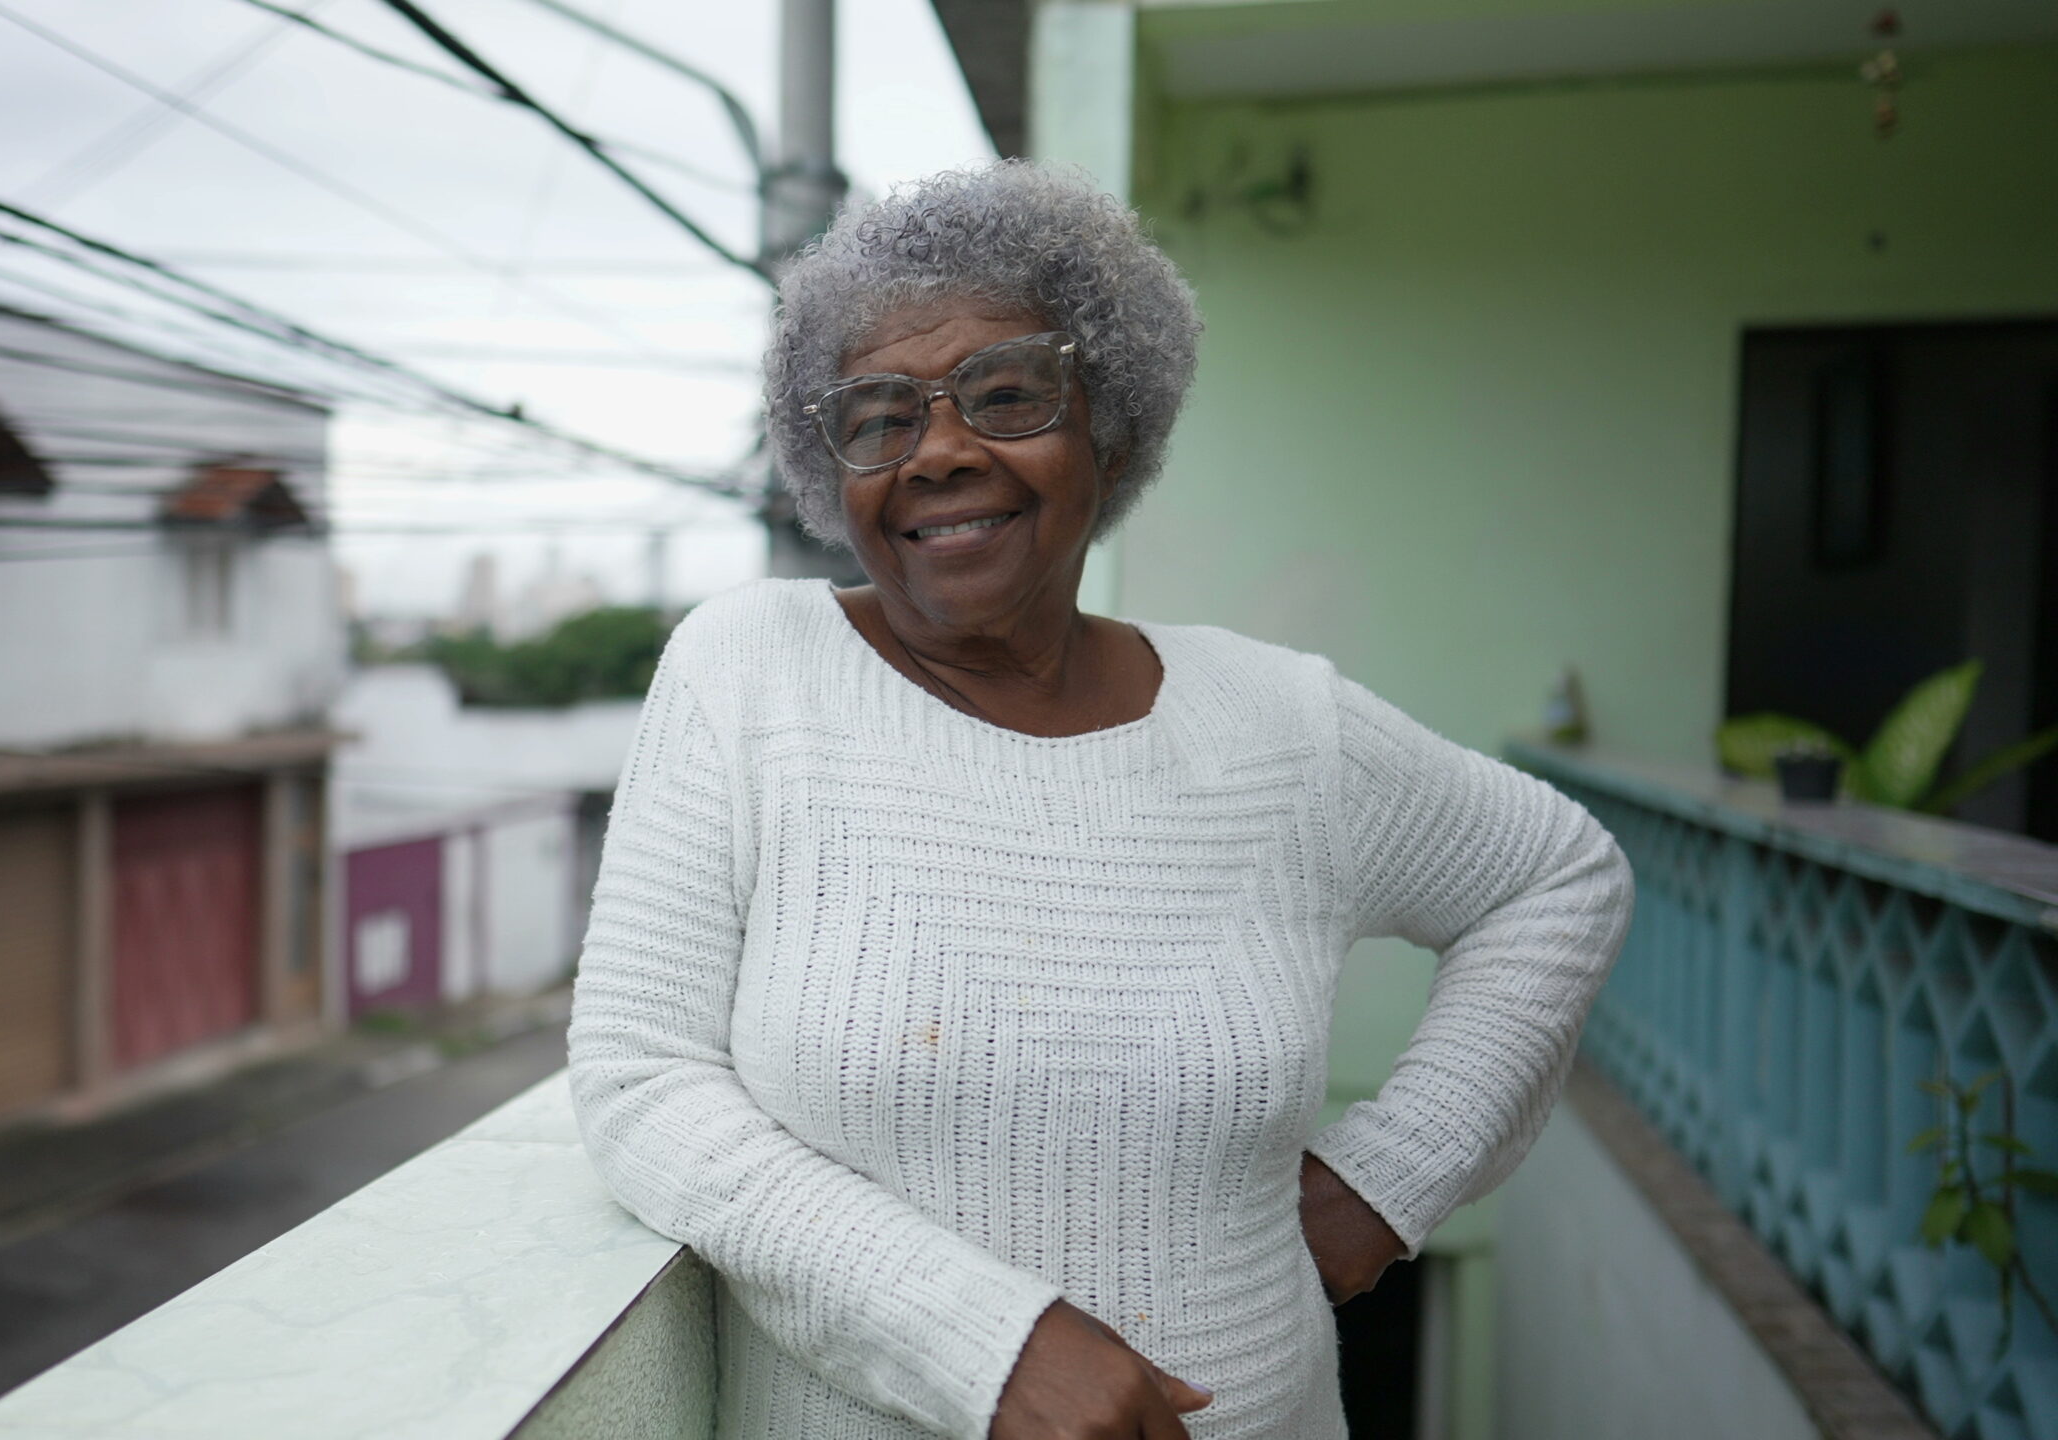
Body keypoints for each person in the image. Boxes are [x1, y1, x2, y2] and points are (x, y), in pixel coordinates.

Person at [566, 161, 1634, 1440]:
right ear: (828, 465)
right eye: (878, 417)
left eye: (1006, 394)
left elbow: (1555, 876)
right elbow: (640, 1077)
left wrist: (1386, 1184)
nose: (941, 451)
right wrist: (984, 1342)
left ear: (1110, 427)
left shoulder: (1279, 725)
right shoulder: (749, 672)